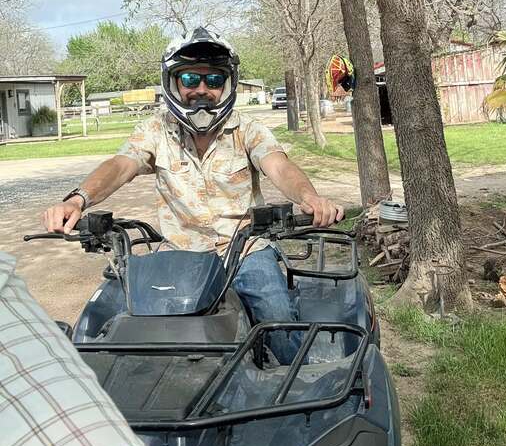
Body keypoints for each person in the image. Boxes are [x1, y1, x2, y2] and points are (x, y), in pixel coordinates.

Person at [42, 26, 344, 362]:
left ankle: (294, 400)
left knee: (277, 322)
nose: (202, 90)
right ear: (173, 83)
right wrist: (77, 199)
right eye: (190, 80)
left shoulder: (247, 130)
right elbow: (120, 165)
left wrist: (309, 197)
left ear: (227, 84)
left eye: (213, 81)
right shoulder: (156, 131)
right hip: (179, 255)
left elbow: (279, 167)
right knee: (123, 328)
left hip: (245, 252)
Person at [0, 251, 184, 446]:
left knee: (251, 293)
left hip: (228, 245)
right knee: (100, 308)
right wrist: (77, 210)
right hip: (167, 249)